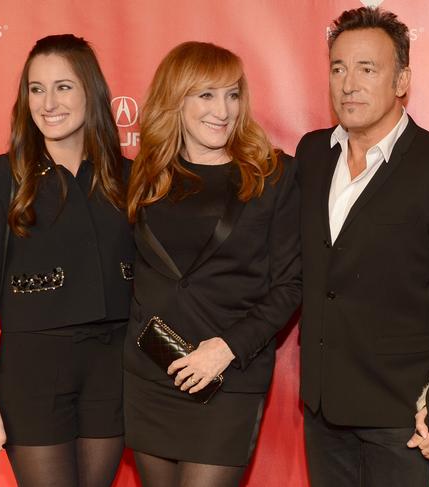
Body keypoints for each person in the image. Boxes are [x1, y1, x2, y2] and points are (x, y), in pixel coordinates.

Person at [296, 6, 429, 486]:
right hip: (322, 410)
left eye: (367, 69)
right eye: (338, 68)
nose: (348, 83)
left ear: (401, 80)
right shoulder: (313, 153)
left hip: (402, 417)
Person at [124, 41, 301, 487]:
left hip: (227, 377)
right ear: (175, 100)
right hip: (150, 374)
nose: (223, 110)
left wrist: (225, 349)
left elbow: (290, 285)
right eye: (206, 95)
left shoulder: (272, 175)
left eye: (232, 94)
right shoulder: (146, 175)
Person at [0, 35, 134, 486]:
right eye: (36, 89)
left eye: (63, 87)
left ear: (90, 93)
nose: (48, 102)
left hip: (110, 369)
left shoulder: (129, 176)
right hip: (33, 372)